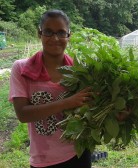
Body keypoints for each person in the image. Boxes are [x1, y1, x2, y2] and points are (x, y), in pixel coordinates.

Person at [9, 9, 92, 168]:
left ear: (69, 35)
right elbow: (23, 114)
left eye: (61, 32)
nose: (55, 38)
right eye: (48, 32)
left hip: (79, 153)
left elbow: (92, 110)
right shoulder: (21, 69)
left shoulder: (80, 71)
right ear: (39, 33)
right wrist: (67, 103)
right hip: (43, 159)